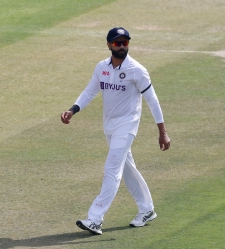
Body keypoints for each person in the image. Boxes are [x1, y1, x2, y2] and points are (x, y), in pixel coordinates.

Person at [61, 27, 170, 235]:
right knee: (127, 167)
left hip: (127, 126)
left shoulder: (137, 70)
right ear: (109, 45)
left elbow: (152, 101)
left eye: (125, 42)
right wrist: (72, 110)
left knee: (112, 169)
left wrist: (162, 131)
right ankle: (146, 209)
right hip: (109, 127)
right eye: (118, 43)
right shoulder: (101, 67)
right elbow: (89, 91)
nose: (122, 46)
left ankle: (95, 218)